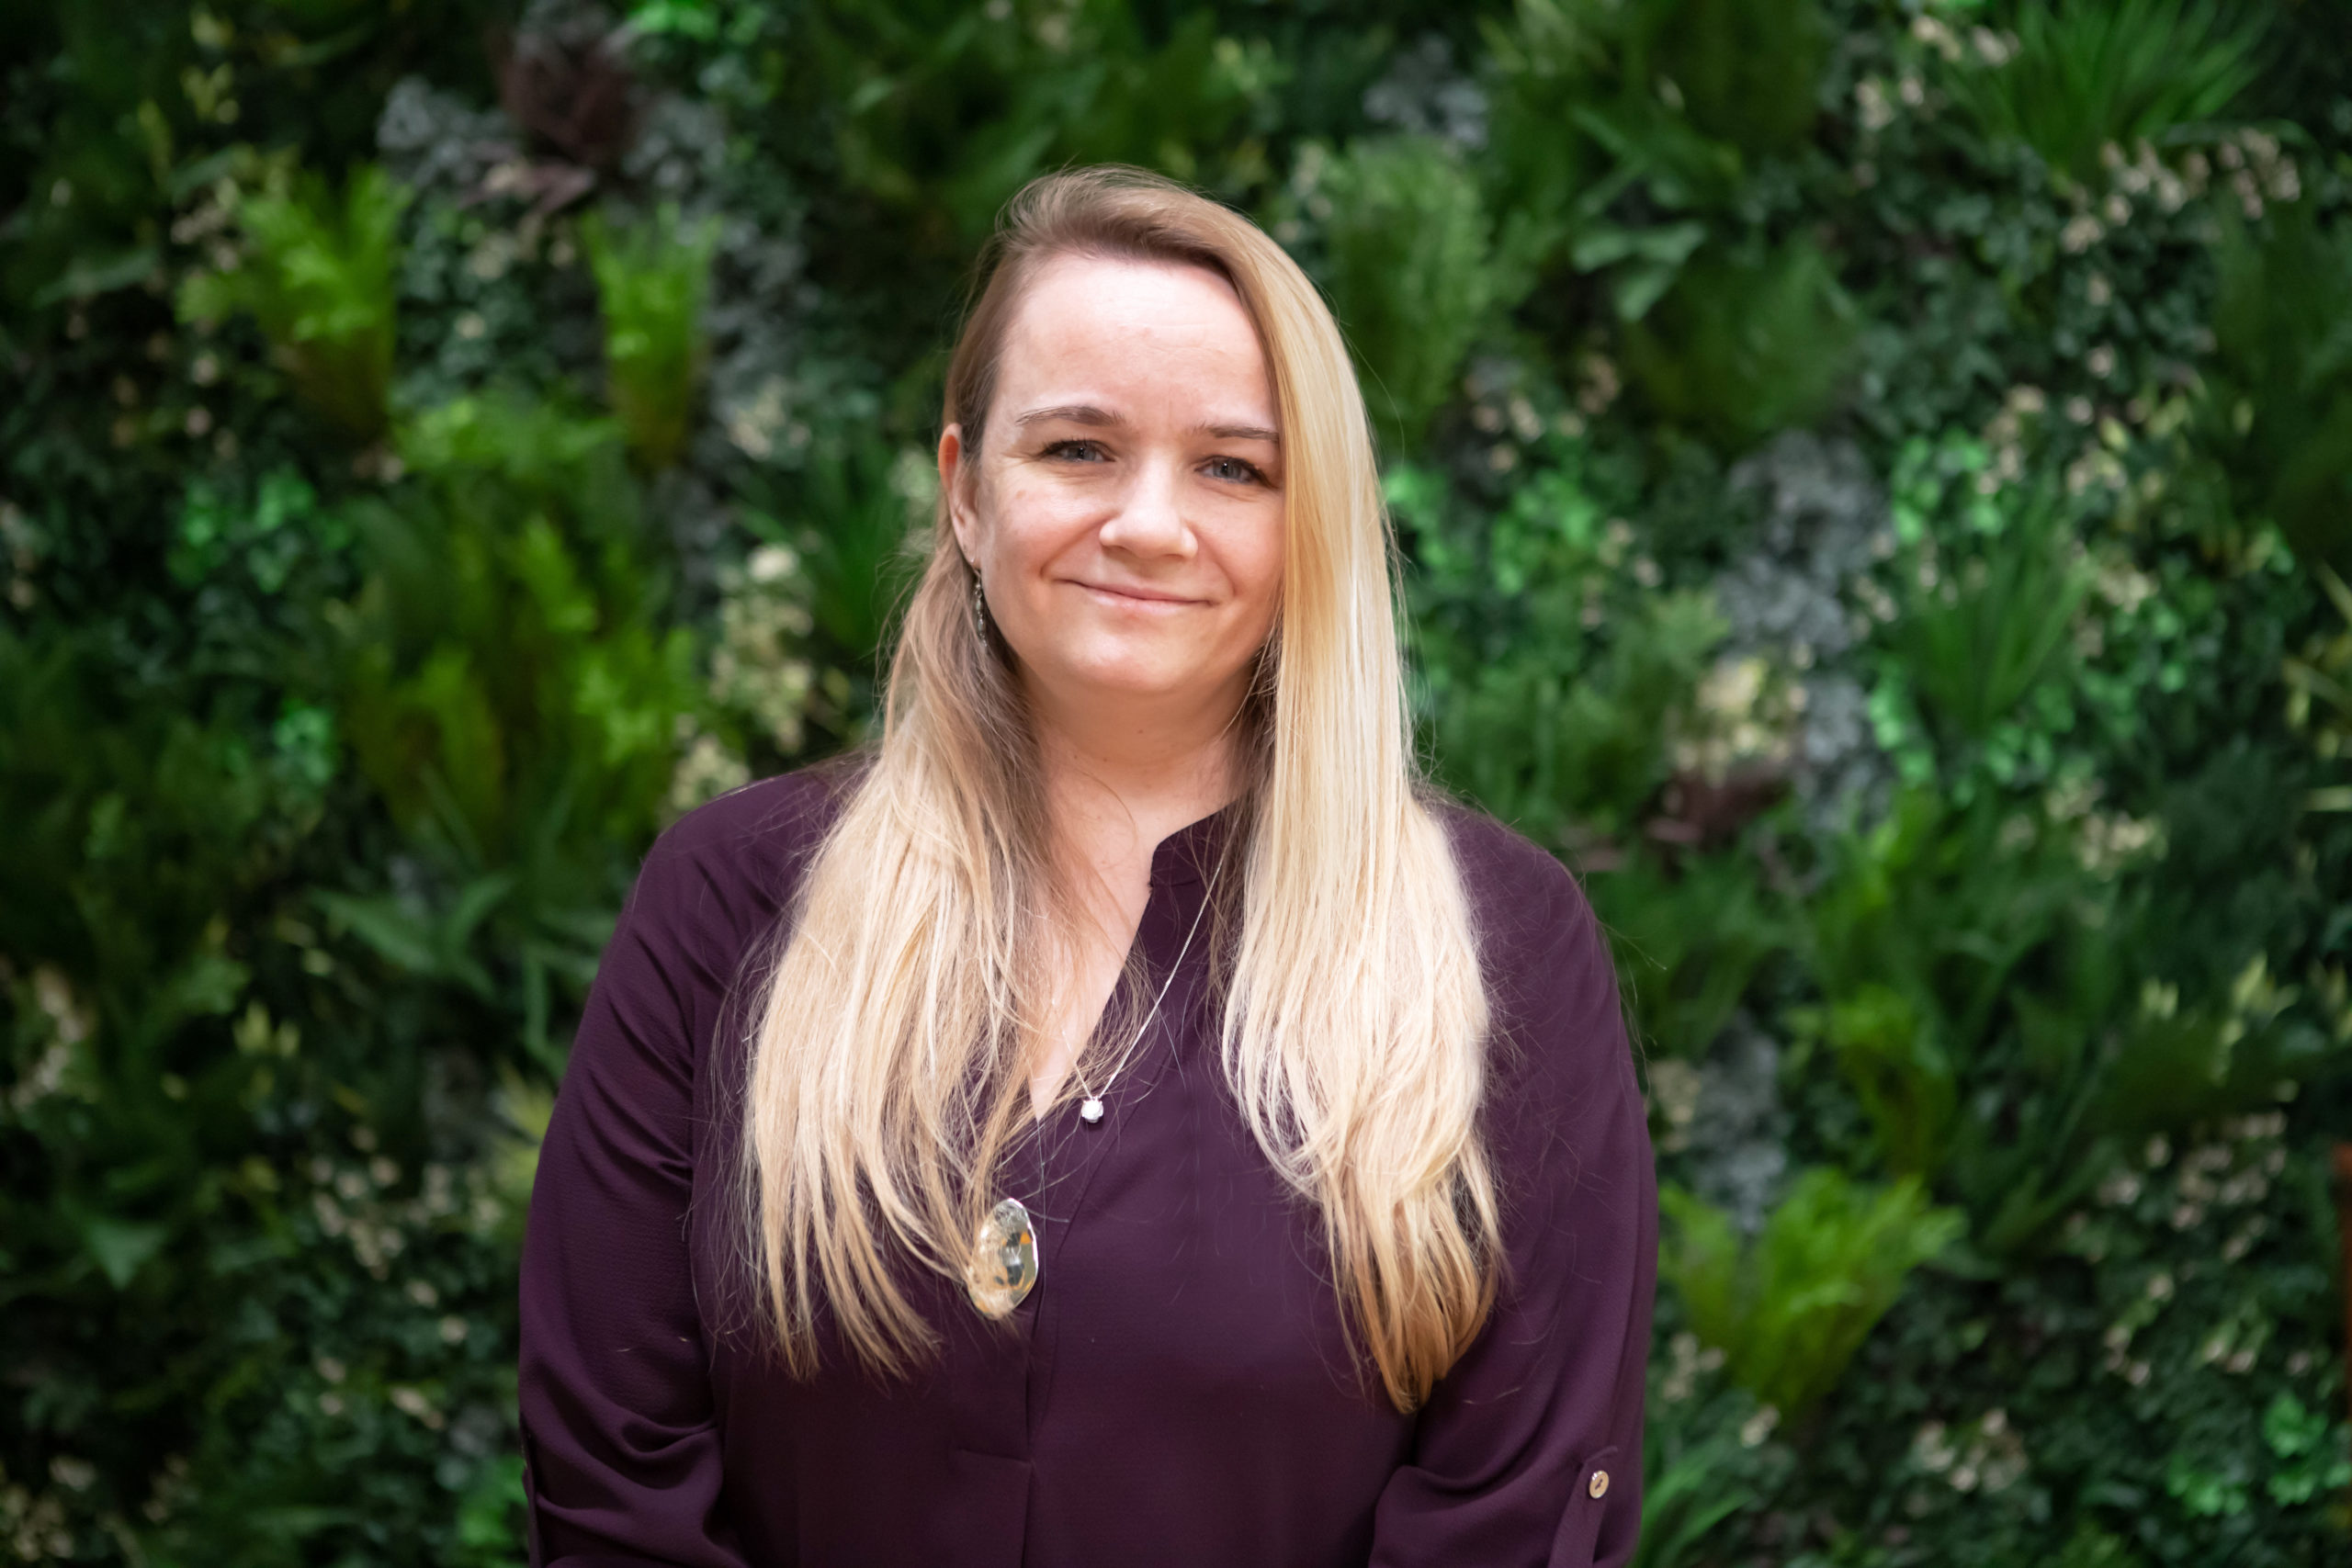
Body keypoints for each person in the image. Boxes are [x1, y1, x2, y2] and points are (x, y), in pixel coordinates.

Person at [518, 164, 1656, 1568]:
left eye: (1232, 468)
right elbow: (613, 1486)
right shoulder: (731, 904)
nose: (1148, 523)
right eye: (1076, 449)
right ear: (966, 493)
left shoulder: (1503, 950)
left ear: (1311, 532)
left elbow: (1518, 1517)